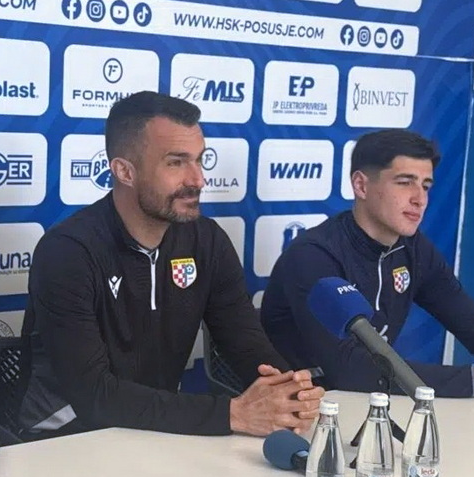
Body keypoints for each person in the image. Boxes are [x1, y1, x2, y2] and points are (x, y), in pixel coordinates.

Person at [19, 91, 324, 439]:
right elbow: (93, 394)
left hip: (156, 430)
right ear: (124, 171)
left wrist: (288, 394)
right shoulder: (67, 251)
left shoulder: (207, 241)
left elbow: (246, 344)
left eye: (199, 160)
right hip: (66, 438)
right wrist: (232, 414)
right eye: (176, 163)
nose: (197, 180)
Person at [261, 129, 474, 403]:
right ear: (361, 185)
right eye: (404, 182)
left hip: (371, 403)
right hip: (304, 408)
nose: (419, 199)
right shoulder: (313, 255)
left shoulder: (413, 247)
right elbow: (347, 369)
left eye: (425, 186)